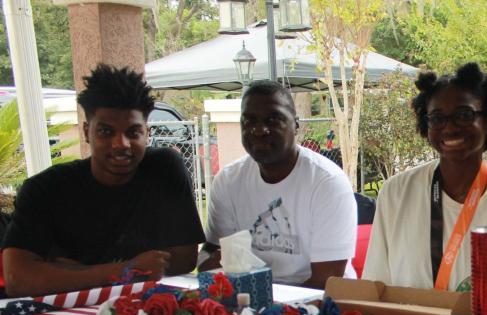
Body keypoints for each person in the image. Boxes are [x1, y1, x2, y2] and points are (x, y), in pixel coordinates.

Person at [2, 64, 204, 297]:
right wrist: (125, 270)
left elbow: (184, 258)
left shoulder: (164, 168)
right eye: (106, 132)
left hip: (141, 310)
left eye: (133, 132)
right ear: (87, 131)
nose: (121, 144)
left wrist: (68, 272)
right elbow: (18, 279)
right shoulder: (45, 189)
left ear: (146, 133)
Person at [364, 63, 487, 294]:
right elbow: (376, 287)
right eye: (437, 118)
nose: (450, 128)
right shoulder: (396, 193)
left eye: (464, 115)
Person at [200, 80, 356, 289]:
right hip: (249, 301)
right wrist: (208, 262)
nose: (259, 130)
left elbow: (326, 282)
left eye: (273, 120)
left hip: (319, 306)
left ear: (296, 124)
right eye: (249, 121)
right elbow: (209, 257)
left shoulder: (327, 183)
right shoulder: (228, 181)